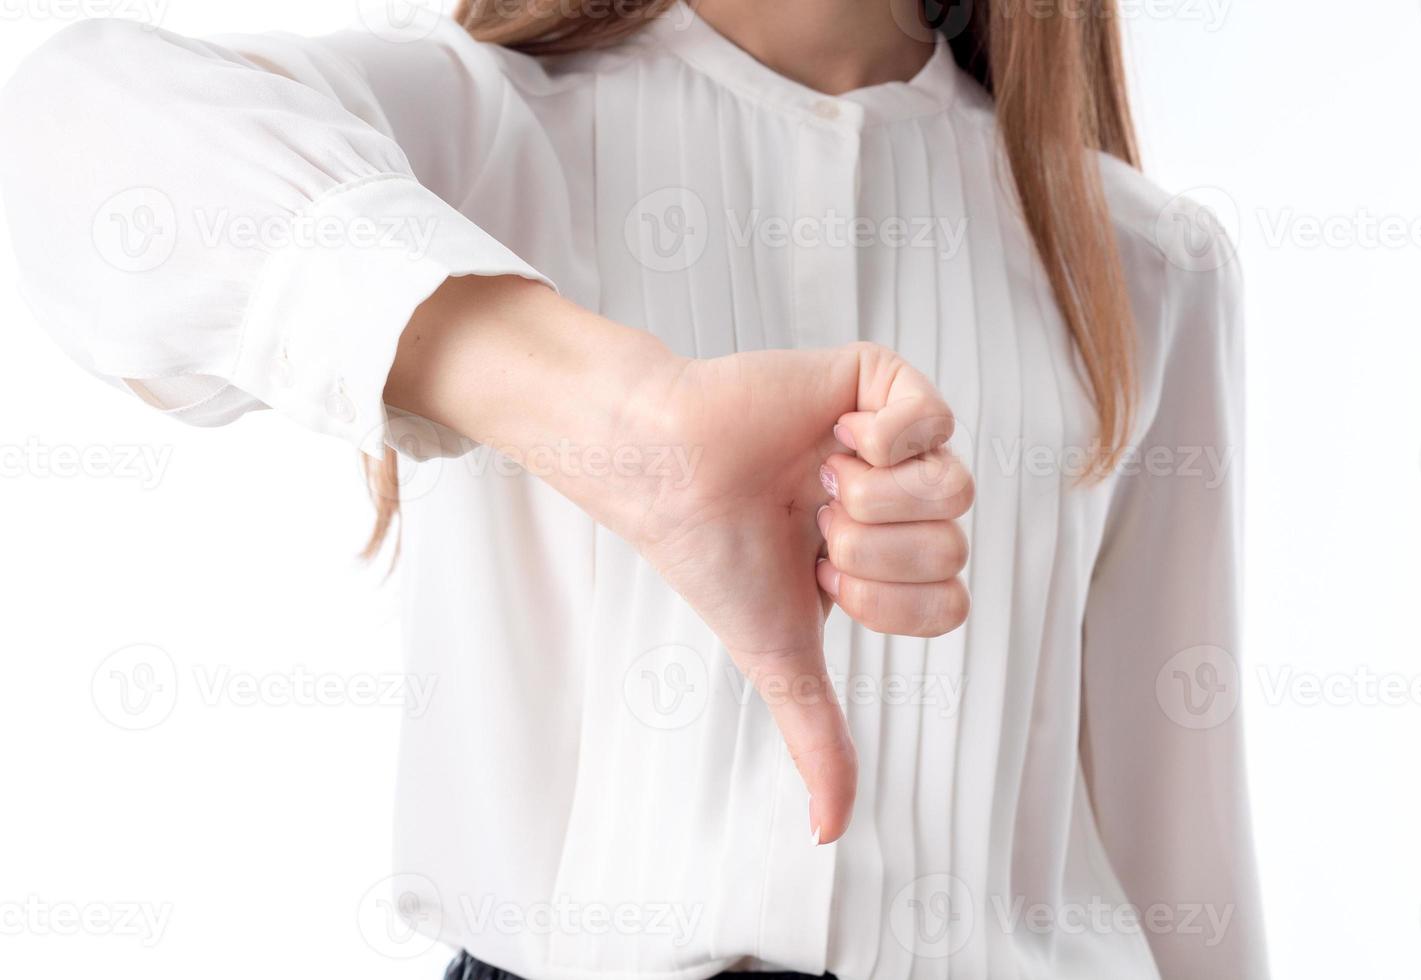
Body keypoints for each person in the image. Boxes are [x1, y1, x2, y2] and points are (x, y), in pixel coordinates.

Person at [0, 0, 1267, 977]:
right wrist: (629, 423)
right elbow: (69, 135)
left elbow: (1182, 853)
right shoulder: (487, 127)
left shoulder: (1145, 262)